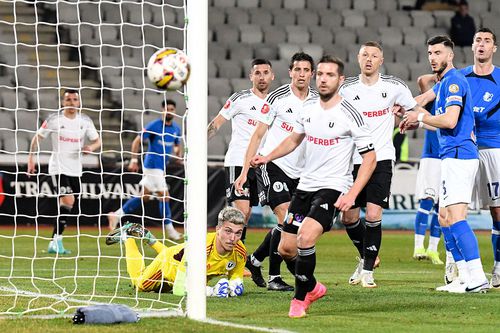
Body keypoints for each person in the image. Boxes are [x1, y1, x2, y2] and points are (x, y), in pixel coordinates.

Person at [251, 55, 376, 318]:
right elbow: (294, 139)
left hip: (332, 187)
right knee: (286, 248)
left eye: (330, 75)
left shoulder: (350, 114)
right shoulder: (307, 109)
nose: (323, 79)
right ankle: (312, 286)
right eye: (320, 74)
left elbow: (370, 158)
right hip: (305, 187)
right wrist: (267, 156)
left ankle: (299, 300)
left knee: (305, 237)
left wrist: (352, 194)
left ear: (340, 80)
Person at [401, 35, 489, 293]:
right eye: (430, 53)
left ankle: (477, 276)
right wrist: (412, 116)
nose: (433, 58)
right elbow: (426, 110)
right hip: (451, 155)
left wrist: (417, 117)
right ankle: (463, 276)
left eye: (438, 53)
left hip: (460, 154)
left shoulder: (453, 82)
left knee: (456, 217)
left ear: (450, 55)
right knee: (444, 216)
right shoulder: (442, 85)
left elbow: (450, 121)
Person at [338, 41, 419, 288]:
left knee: (373, 214)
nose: (369, 59)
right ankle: (366, 257)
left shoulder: (394, 87)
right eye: (365, 55)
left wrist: (410, 120)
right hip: (353, 159)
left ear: (381, 60)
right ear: (358, 58)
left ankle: (369, 271)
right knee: (348, 216)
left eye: (374, 55)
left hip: (382, 157)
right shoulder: (347, 88)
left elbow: (414, 111)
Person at [234, 52, 317, 291]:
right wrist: (243, 171)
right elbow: (258, 134)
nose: (301, 74)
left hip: (303, 172)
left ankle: (256, 259)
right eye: (297, 70)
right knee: (286, 217)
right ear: (290, 72)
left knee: (292, 224)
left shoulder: (317, 101)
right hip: (274, 166)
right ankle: (274, 278)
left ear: (311, 73)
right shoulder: (277, 97)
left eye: (306, 70)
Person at [106, 206, 246, 296]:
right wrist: (210, 292)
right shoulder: (201, 248)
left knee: (174, 254)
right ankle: (128, 237)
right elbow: (179, 288)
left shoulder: (239, 251)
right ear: (217, 229)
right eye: (228, 231)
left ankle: (147, 237)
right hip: (168, 267)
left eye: (238, 233)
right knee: (140, 284)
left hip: (178, 255)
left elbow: (236, 277)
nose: (233, 238)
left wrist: (234, 285)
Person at [207, 58, 275, 243]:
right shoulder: (240, 99)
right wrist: (197, 145)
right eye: (257, 73)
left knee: (247, 214)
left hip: (260, 165)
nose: (262, 77)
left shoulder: (276, 102)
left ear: (272, 76)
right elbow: (217, 123)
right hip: (237, 161)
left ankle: (232, 254)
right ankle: (231, 255)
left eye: (265, 73)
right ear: (250, 76)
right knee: (242, 211)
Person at [27, 89, 101, 254]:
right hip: (58, 167)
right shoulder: (54, 120)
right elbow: (37, 138)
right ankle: (57, 242)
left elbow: (97, 141)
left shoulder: (85, 121)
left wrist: (91, 147)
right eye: (68, 100)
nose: (72, 103)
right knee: (68, 200)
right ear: (62, 102)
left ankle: (55, 242)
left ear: (79, 102)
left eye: (75, 99)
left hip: (76, 169)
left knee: (68, 204)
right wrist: (31, 158)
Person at [108, 99, 182, 241]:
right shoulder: (154, 125)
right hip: (152, 165)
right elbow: (137, 141)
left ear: (175, 111)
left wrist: (178, 155)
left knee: (145, 196)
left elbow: (176, 145)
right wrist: (134, 160)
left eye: (172, 109)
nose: (169, 111)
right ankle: (170, 230)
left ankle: (116, 214)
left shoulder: (176, 129)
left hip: (161, 167)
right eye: (167, 108)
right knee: (164, 195)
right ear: (162, 110)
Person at [461, 28, 500, 289]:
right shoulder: (460, 77)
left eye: (487, 41)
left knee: (497, 212)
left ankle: (498, 267)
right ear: (473, 46)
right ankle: (458, 268)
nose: (482, 45)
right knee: (453, 209)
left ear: (494, 48)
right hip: (465, 150)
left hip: (494, 150)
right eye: (478, 40)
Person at [412, 74, 443, 265]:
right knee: (427, 201)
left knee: (442, 207)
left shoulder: (453, 105)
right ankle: (418, 246)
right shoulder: (433, 100)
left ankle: (433, 250)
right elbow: (422, 80)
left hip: (448, 158)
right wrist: (440, 76)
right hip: (432, 157)